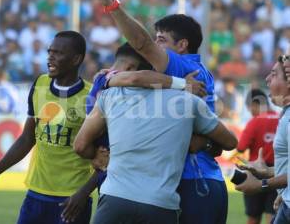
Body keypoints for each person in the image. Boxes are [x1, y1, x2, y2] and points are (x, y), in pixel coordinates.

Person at [81, 0, 227, 223]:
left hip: (194, 180)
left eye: (161, 40)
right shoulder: (193, 73)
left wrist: (111, 5)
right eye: (156, 38)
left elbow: (140, 43)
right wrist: (112, 78)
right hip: (193, 178)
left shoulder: (182, 68)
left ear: (182, 45)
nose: (154, 46)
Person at [74, 62, 237, 224]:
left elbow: (80, 146)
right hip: (160, 204)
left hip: (115, 199)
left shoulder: (110, 95)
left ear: (132, 70)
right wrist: (203, 144)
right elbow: (230, 142)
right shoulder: (188, 102)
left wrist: (97, 154)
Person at [0, 31, 95, 224]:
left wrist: (84, 193)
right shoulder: (40, 84)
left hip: (72, 199)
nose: (50, 57)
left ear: (76, 59)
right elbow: (27, 138)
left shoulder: (91, 97)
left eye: (58, 53)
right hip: (35, 195)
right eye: (50, 51)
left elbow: (103, 156)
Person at [84, 42, 207, 193]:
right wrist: (183, 84)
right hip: (122, 172)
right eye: (151, 73)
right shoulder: (110, 79)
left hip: (117, 168)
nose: (150, 80)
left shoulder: (104, 82)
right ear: (130, 69)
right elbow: (136, 79)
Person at [236, 55, 290, 224]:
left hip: (274, 189)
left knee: (253, 217)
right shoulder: (283, 115)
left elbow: (240, 146)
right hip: (282, 193)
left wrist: (262, 184)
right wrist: (268, 171)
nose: (267, 79)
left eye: (273, 74)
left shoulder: (258, 121)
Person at [237, 89, 278, 224]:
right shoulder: (282, 119)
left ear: (255, 104)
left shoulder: (255, 122)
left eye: (249, 107)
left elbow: (241, 147)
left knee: (253, 217)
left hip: (256, 172)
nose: (250, 111)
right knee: (273, 215)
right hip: (278, 173)